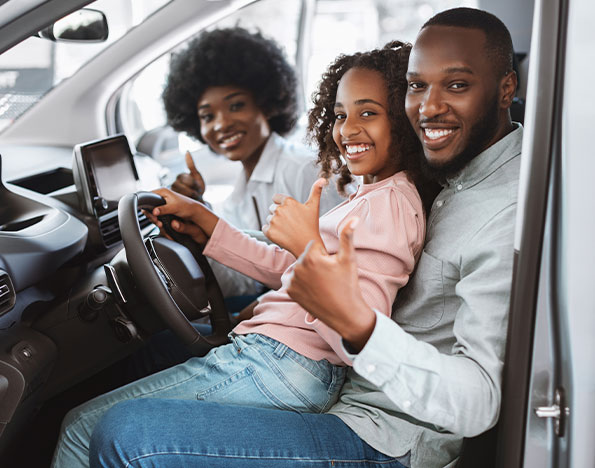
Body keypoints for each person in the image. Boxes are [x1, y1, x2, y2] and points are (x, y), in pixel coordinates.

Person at [88, 7, 521, 468]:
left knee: (119, 432)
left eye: (456, 85)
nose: (428, 108)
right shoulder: (439, 173)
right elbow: (317, 265)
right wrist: (217, 231)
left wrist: (352, 317)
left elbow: (478, 401)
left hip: (384, 431)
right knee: (145, 359)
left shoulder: (503, 208)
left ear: (506, 88)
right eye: (417, 86)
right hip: (336, 383)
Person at [53, 42, 431, 468]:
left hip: (281, 362)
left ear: (403, 115)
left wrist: (306, 244)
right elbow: (292, 269)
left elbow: (358, 328)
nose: (347, 129)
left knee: (80, 428)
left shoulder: (391, 204)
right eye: (340, 115)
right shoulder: (372, 195)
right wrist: (211, 226)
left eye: (368, 112)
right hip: (275, 354)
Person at [162, 26, 343, 300]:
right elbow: (242, 283)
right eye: (207, 116)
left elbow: (339, 264)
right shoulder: (238, 194)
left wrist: (260, 305)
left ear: (267, 105)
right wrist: (199, 219)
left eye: (236, 106)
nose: (221, 124)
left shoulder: (306, 170)